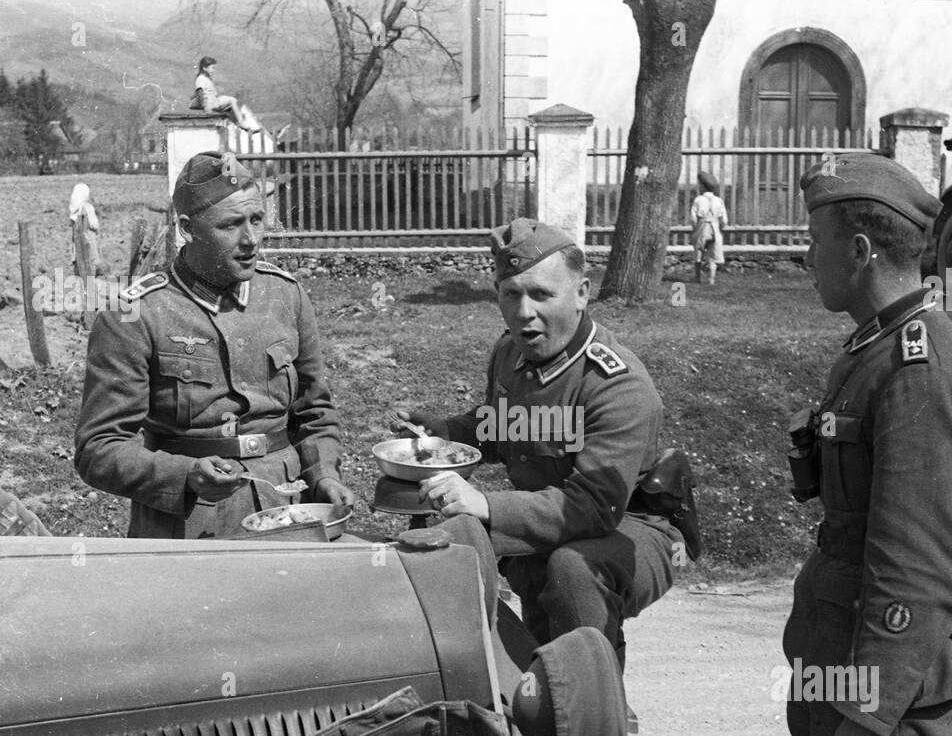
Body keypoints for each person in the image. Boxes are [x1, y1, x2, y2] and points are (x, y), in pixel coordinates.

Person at [752, 153, 952, 736]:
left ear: (861, 250)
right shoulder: (877, 344)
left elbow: (918, 562)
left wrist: (869, 712)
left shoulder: (916, 369)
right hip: (839, 654)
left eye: (815, 239)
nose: (807, 256)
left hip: (890, 687)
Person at [393, 218, 687, 670]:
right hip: (552, 516)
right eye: (510, 293)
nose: (523, 312)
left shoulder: (617, 385)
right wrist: (442, 435)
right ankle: (518, 684)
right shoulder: (511, 353)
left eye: (541, 294)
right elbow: (505, 427)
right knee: (451, 550)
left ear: (582, 293)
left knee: (571, 570)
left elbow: (592, 508)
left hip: (630, 526)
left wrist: (485, 504)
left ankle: (592, 696)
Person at [74, 150, 353, 538]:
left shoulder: (285, 296)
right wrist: (185, 475)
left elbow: (315, 412)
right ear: (188, 228)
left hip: (286, 509)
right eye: (231, 225)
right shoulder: (134, 315)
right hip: (187, 523)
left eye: (257, 219)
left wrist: (323, 473)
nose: (251, 240)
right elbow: (98, 449)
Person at [190, 57, 262, 133]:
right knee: (232, 100)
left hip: (213, 101)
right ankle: (241, 123)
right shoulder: (201, 78)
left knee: (231, 108)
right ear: (205, 68)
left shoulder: (206, 78)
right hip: (210, 104)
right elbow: (200, 92)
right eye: (212, 68)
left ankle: (241, 126)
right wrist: (206, 108)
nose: (214, 70)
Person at [690, 169, 727, 285]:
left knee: (698, 251)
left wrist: (694, 227)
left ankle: (697, 277)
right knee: (713, 253)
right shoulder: (719, 201)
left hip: (702, 227)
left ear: (703, 186)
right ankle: (711, 279)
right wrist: (721, 227)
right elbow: (724, 219)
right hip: (715, 228)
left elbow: (693, 218)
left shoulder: (698, 200)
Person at [68, 183, 104, 278]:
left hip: (78, 250)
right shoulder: (87, 208)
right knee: (90, 276)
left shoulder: (73, 210)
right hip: (89, 246)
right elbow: (94, 225)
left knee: (80, 276)